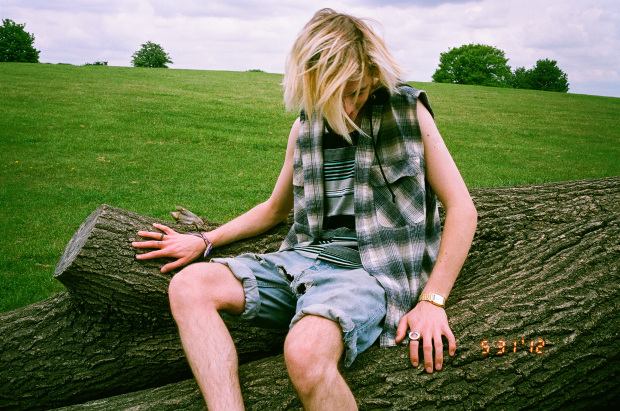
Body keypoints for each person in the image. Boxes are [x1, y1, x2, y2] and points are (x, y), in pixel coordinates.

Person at [132, 8, 477, 410]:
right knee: (189, 286)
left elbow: (462, 208)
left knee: (304, 353)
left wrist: (432, 301)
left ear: (373, 74)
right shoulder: (304, 128)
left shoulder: (407, 112)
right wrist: (205, 240)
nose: (349, 107)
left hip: (370, 273)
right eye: (336, 95)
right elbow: (275, 209)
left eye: (357, 92)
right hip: (302, 262)